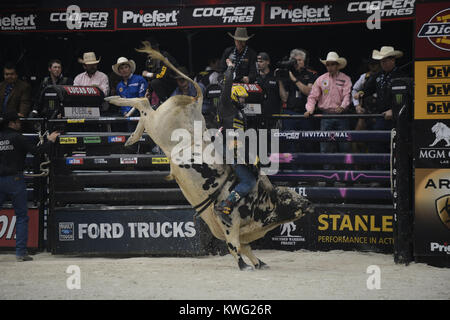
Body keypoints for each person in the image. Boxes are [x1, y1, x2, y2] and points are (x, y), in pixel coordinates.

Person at [0, 111, 59, 261]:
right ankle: (20, 253)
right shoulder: (18, 138)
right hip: (15, 180)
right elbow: (37, 151)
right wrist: (50, 140)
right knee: (21, 217)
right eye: (18, 122)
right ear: (11, 123)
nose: (20, 124)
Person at [214, 59, 257, 224]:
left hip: (235, 147)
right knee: (249, 181)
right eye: (241, 98)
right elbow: (227, 86)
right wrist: (230, 68)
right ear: (233, 97)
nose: (243, 101)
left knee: (252, 171)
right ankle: (225, 205)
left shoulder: (240, 113)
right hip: (226, 146)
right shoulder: (226, 106)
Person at [361, 46, 406, 160]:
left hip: (398, 118)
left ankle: (396, 175)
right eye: (381, 61)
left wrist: (394, 110)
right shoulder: (378, 76)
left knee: (396, 146)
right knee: (376, 145)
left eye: (385, 61)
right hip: (381, 117)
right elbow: (367, 90)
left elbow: (406, 97)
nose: (383, 64)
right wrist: (361, 93)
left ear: (393, 60)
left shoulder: (401, 75)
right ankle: (378, 173)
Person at [305, 51, 352, 160]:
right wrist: (309, 109)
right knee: (325, 147)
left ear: (337, 65)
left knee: (344, 146)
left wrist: (343, 106)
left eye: (332, 64)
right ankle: (327, 173)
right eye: (328, 64)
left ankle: (345, 174)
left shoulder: (345, 78)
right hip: (326, 116)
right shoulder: (321, 79)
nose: (330, 67)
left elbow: (347, 95)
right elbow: (313, 96)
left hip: (342, 116)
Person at [278, 49, 317, 152]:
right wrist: (280, 81)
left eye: (300, 60)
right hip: (290, 113)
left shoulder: (310, 74)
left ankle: (306, 166)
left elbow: (308, 91)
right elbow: (284, 98)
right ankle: (292, 167)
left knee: (306, 143)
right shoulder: (287, 74)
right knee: (289, 143)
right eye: (295, 60)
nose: (297, 62)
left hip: (305, 113)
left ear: (304, 61)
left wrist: (294, 79)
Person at [141, 38, 180, 105]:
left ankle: (165, 103)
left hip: (175, 84)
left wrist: (147, 74)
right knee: (154, 83)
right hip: (162, 86)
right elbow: (150, 80)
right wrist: (148, 91)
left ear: (157, 47)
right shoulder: (149, 61)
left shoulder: (164, 56)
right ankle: (162, 103)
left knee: (155, 82)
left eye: (153, 48)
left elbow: (162, 75)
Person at [255, 52, 282, 129]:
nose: (258, 63)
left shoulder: (275, 76)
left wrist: (280, 80)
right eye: (257, 61)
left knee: (273, 141)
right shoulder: (254, 77)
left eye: (261, 61)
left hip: (273, 116)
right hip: (257, 117)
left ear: (268, 62)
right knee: (259, 140)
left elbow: (284, 98)